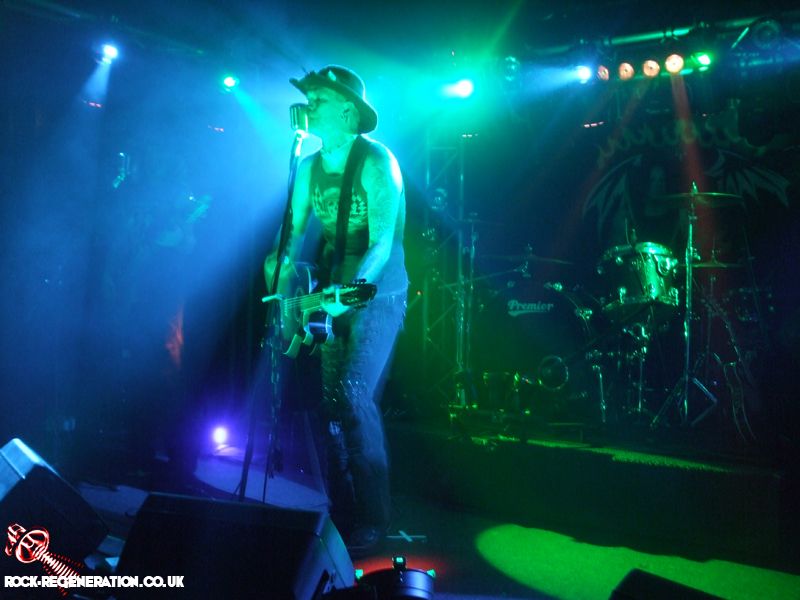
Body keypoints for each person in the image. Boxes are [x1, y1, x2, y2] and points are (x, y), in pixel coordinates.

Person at [264, 65, 407, 555]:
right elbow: (290, 237)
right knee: (328, 404)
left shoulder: (377, 160)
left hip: (377, 295)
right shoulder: (308, 167)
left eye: (319, 100)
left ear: (347, 111)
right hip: (330, 296)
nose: (309, 106)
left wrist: (351, 290)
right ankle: (342, 514)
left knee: (352, 395)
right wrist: (280, 275)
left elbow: (382, 243)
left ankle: (374, 517)